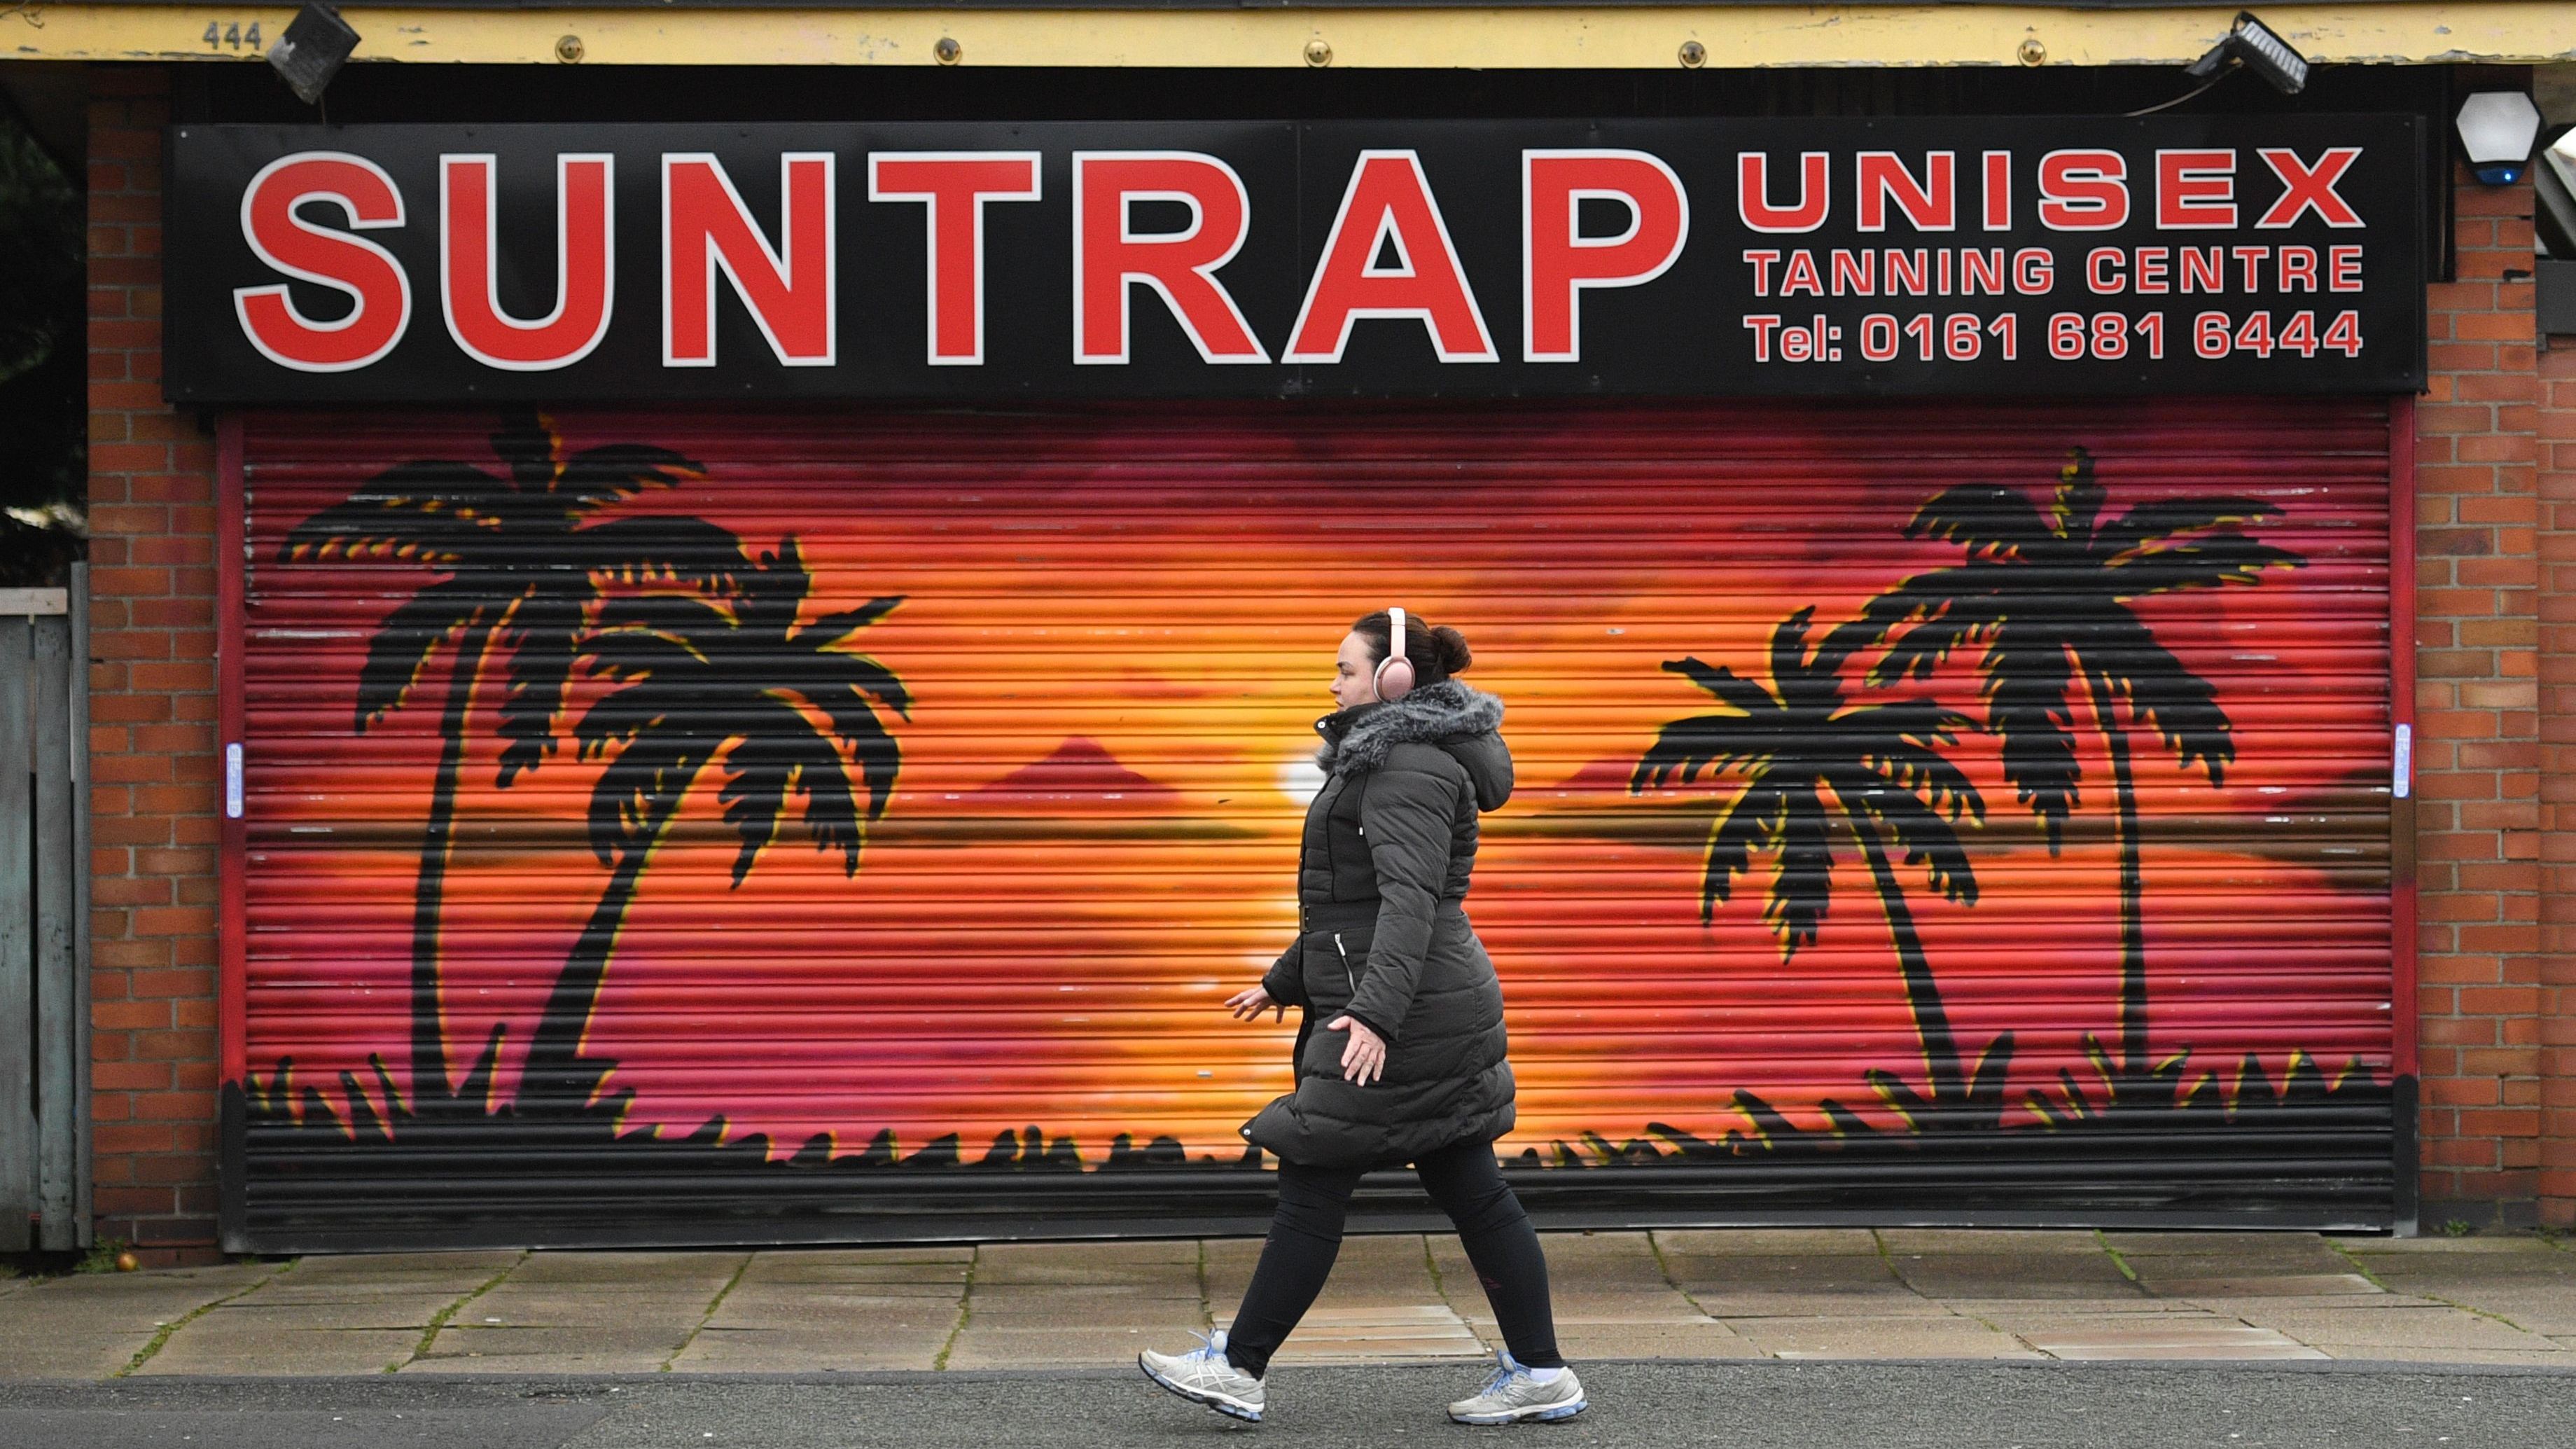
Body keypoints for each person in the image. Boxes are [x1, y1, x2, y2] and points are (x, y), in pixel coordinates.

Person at [1140, 609, 1585, 1427]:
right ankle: (1541, 1369)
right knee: (1472, 1187)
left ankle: (1238, 1366)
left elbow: (1408, 901)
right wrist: (1283, 980)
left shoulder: (1404, 763)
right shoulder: (1395, 755)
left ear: (1395, 677)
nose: (1332, 681)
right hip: (1422, 1002)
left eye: (1346, 669)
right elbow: (1349, 903)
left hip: (1400, 1014)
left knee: (1314, 1176)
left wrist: (1374, 1015)